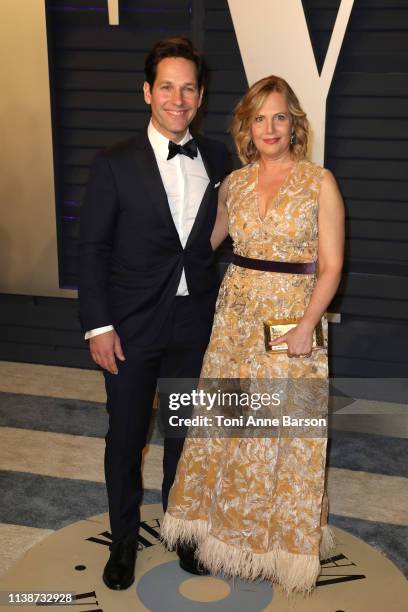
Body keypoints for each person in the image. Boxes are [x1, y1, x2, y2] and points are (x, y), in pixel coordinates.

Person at [161, 75, 345, 594]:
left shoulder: (319, 182)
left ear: (294, 124)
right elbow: (203, 244)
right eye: (259, 117)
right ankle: (214, 534)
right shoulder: (234, 184)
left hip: (293, 319)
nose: (270, 127)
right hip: (236, 321)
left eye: (280, 116)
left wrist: (308, 326)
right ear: (247, 125)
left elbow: (331, 266)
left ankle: (277, 546)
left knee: (280, 433)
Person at [78, 36, 230, 590]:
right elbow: (92, 248)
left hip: (195, 324)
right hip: (131, 325)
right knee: (126, 437)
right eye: (166, 86)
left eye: (188, 87)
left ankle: (182, 531)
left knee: (186, 435)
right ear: (147, 92)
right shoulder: (114, 162)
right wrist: (99, 325)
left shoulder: (216, 157)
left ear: (200, 95)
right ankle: (122, 543)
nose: (177, 97)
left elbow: (225, 234)